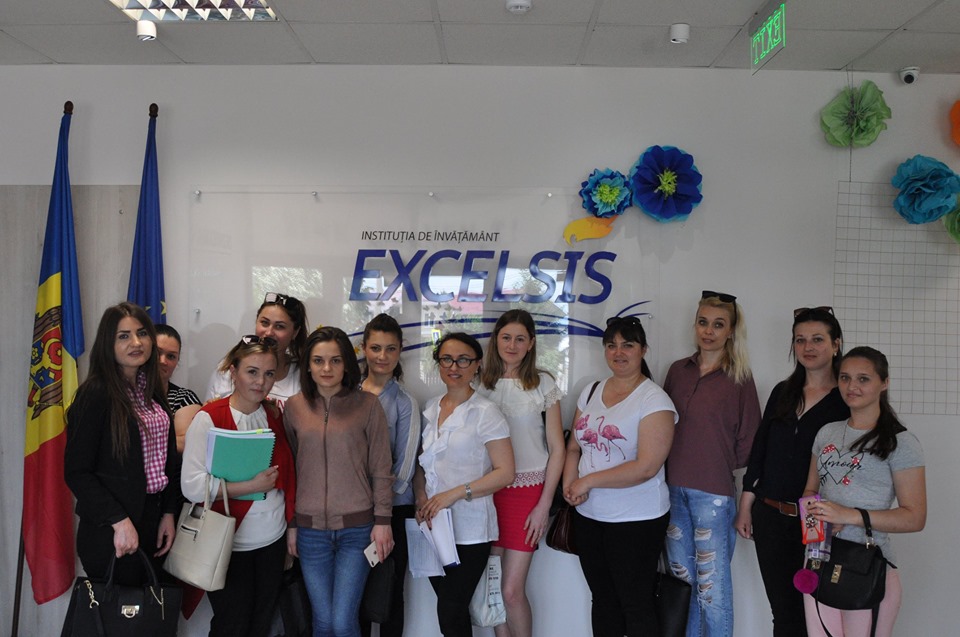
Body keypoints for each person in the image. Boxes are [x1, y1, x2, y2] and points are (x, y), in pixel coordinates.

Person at [735, 307, 849, 637]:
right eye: (800, 340)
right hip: (771, 516)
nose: (808, 347)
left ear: (836, 344)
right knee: (783, 614)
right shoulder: (783, 392)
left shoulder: (846, 399)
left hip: (819, 523)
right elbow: (761, 449)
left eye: (817, 339)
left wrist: (847, 513)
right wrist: (746, 503)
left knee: (817, 614)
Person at [562, 315, 677, 637]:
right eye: (611, 345)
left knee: (635, 603)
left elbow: (647, 467)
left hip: (636, 520)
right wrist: (570, 485)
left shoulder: (654, 400)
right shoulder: (591, 391)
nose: (618, 352)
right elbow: (574, 447)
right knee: (603, 600)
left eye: (627, 345)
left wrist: (587, 481)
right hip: (589, 516)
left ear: (643, 350)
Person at [801, 347, 926, 637]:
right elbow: (810, 491)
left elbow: (914, 517)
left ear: (884, 383)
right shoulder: (827, 433)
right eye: (845, 378)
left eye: (863, 379)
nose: (852, 386)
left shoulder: (901, 442)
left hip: (868, 567)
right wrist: (818, 523)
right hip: (819, 560)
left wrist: (848, 516)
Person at [181, 336, 297, 637]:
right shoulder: (209, 418)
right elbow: (191, 487)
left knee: (261, 625)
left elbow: (286, 480)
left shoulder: (273, 414)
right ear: (233, 371)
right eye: (252, 372)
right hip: (228, 545)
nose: (261, 381)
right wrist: (248, 485)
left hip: (271, 541)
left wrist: (290, 532)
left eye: (269, 374)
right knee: (231, 626)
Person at [284, 326, 395, 637]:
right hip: (310, 532)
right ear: (308, 366)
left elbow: (381, 468)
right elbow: (291, 471)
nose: (327, 368)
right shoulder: (293, 407)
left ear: (347, 364)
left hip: (357, 530)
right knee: (322, 622)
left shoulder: (368, 405)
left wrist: (383, 521)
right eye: (318, 361)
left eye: (335, 360)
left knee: (343, 622)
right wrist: (292, 523)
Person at [664, 290, 761, 637]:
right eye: (703, 322)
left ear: (731, 331)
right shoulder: (678, 371)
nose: (709, 331)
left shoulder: (739, 378)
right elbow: (661, 427)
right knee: (683, 584)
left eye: (718, 325)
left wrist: (713, 460)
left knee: (712, 590)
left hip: (714, 495)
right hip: (671, 491)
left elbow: (750, 440)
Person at [64, 302, 181, 585]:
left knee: (153, 608)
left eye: (142, 333)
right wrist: (119, 521)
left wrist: (168, 512)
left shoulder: (150, 389)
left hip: (154, 519)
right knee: (121, 611)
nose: (136, 343)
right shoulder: (95, 394)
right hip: (112, 527)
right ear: (108, 343)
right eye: (124, 336)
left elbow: (166, 460)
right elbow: (77, 472)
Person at [415, 332, 516, 637]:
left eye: (463, 360)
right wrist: (421, 497)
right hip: (432, 526)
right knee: (452, 611)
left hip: (470, 529)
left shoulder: (486, 412)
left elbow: (505, 473)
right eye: (446, 359)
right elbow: (422, 464)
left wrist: (454, 494)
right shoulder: (431, 408)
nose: (454, 366)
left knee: (451, 607)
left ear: (477, 365)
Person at [476, 309, 564, 637]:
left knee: (512, 591)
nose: (512, 345)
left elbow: (557, 449)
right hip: (487, 492)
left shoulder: (543, 384)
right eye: (506, 337)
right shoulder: (478, 383)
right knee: (493, 588)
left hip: (527, 493)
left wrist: (543, 505)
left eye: (520, 339)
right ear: (495, 340)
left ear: (531, 344)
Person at [357, 314, 421, 637]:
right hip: (353, 512)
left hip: (394, 510)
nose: (382, 356)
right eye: (376, 348)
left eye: (390, 349)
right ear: (363, 348)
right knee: (355, 594)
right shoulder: (346, 395)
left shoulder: (405, 402)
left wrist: (378, 505)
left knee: (389, 594)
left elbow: (405, 469)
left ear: (400, 351)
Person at [206, 292, 308, 410]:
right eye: (264, 323)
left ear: (295, 332)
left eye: (279, 326)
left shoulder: (303, 375)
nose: (269, 332)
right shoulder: (227, 368)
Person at [155, 323, 202, 453]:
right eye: (157, 353)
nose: (162, 361)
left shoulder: (184, 398)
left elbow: (187, 442)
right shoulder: (124, 392)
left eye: (171, 356)